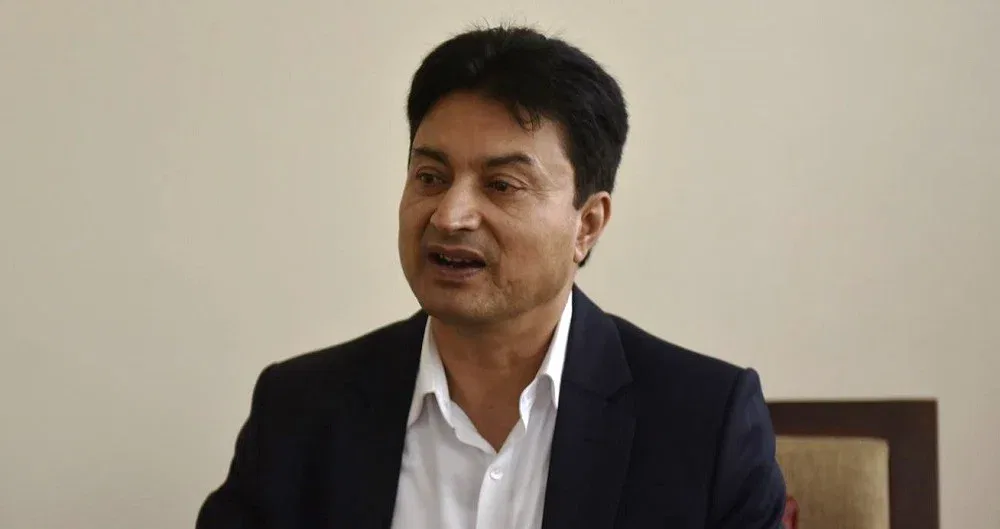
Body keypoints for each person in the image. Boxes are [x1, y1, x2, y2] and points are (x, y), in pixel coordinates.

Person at [196, 24, 786, 529]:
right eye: (430, 177)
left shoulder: (704, 423)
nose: (450, 216)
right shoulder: (300, 411)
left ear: (586, 224)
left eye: (502, 185)